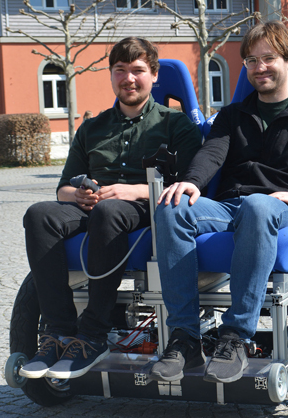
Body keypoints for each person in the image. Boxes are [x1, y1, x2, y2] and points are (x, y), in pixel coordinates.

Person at [148, 21, 288, 384]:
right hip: (228, 207)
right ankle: (185, 338)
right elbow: (211, 154)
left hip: (277, 211)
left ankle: (236, 337)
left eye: (268, 58)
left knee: (258, 205)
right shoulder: (232, 116)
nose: (259, 68)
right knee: (171, 205)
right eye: (251, 61)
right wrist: (192, 183)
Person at [19, 37, 202, 380]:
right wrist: (79, 196)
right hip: (95, 207)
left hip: (148, 209)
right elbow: (63, 189)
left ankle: (93, 334)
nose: (128, 79)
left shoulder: (177, 125)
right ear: (111, 74)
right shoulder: (92, 127)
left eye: (138, 70)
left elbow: (189, 185)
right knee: (39, 214)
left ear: (154, 75)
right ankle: (57, 333)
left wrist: (129, 190)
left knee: (110, 210)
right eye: (120, 70)